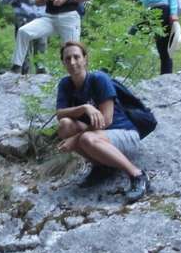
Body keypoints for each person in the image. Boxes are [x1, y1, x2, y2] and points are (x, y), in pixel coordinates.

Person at [55, 41, 150, 201]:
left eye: (76, 57)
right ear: (63, 62)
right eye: (67, 59)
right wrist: (85, 108)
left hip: (125, 135)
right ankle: (102, 166)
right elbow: (60, 113)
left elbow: (106, 120)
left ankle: (137, 175)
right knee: (65, 125)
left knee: (87, 138)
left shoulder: (99, 79)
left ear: (85, 59)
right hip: (100, 137)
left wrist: (74, 139)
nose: (72, 62)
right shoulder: (66, 84)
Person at [0, 0, 48, 74]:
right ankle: (22, 76)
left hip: (40, 20)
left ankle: (41, 75)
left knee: (40, 52)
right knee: (23, 55)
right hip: (22, 20)